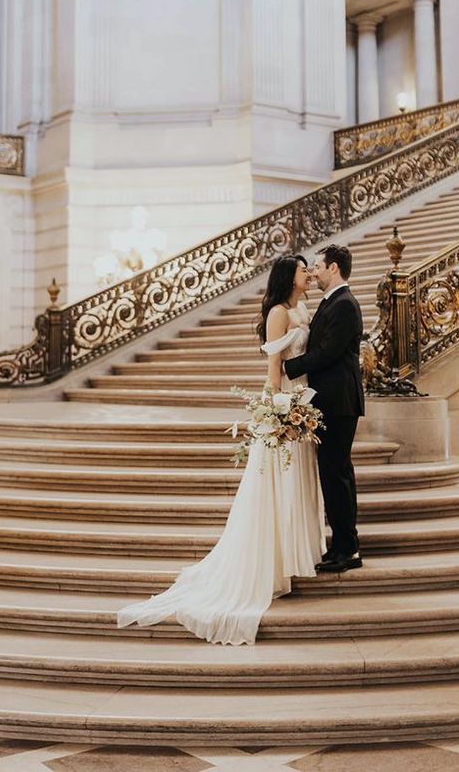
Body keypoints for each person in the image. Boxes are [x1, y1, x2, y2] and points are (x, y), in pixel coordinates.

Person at [116, 253, 325, 644]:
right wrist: (277, 410)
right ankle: (270, 563)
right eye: (302, 270)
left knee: (296, 478)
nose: (308, 273)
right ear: (289, 277)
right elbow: (273, 368)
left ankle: (292, 556)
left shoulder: (305, 306)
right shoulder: (278, 312)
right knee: (277, 483)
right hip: (286, 402)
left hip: (305, 397)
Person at [283, 244, 364, 574]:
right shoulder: (332, 301)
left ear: (334, 268)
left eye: (318, 266)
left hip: (339, 402)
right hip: (329, 400)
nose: (313, 271)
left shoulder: (344, 304)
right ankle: (341, 546)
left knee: (337, 473)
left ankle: (348, 548)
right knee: (333, 474)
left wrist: (289, 368)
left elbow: (329, 352)